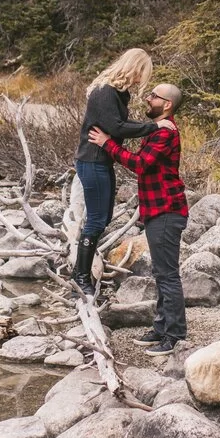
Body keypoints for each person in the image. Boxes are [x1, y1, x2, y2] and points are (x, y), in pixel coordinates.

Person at [88, 82, 188, 357]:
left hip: (167, 211)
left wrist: (107, 144)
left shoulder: (165, 133)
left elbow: (140, 164)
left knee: (167, 274)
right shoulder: (157, 129)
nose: (148, 98)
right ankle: (161, 326)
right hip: (157, 210)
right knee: (160, 272)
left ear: (166, 104)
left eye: (153, 96)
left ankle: (175, 334)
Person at [73, 48, 169, 296]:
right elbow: (117, 126)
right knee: (96, 219)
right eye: (141, 74)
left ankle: (83, 271)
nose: (140, 80)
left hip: (101, 161)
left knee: (103, 218)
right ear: (133, 68)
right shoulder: (105, 91)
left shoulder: (117, 92)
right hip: (92, 161)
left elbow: (115, 127)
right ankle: (80, 276)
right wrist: (153, 127)